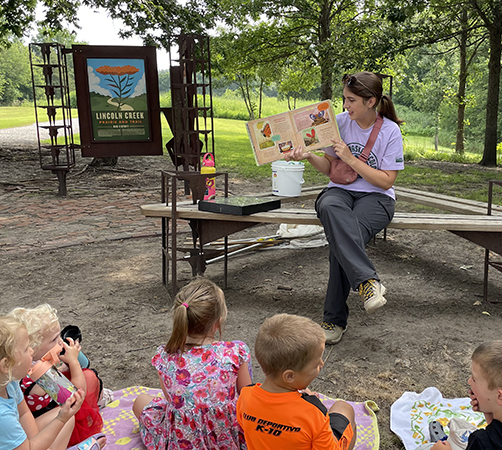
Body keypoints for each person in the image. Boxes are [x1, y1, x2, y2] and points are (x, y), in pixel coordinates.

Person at [286, 71, 405, 345]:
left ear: (371, 101)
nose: (345, 106)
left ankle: (334, 320)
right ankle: (367, 282)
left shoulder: (389, 130)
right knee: (328, 206)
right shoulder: (336, 123)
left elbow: (386, 181)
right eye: (343, 99)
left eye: (351, 100)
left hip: (377, 198)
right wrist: (308, 156)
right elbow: (329, 168)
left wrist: (351, 159)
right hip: (339, 192)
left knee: (342, 240)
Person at [132, 277, 252, 450]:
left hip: (183, 440)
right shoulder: (235, 351)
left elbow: (172, 402)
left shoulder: (165, 357)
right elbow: (247, 398)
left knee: (140, 401)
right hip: (229, 437)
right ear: (217, 323)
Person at [0, 315, 92, 450]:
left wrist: (40, 440)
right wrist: (60, 418)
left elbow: (24, 414)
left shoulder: (5, 382)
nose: (32, 352)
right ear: (6, 365)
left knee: (67, 420)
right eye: (26, 349)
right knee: (63, 419)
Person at [237, 313, 357, 449]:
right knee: (344, 408)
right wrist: (310, 403)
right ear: (289, 376)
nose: (322, 364)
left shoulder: (245, 396)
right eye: (316, 364)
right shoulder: (313, 412)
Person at [9, 304, 105, 446]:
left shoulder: (21, 368)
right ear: (32, 348)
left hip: (36, 420)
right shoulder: (38, 374)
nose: (61, 342)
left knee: (76, 374)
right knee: (89, 377)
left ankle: (101, 396)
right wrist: (74, 362)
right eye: (54, 339)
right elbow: (77, 395)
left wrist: (62, 367)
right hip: (54, 430)